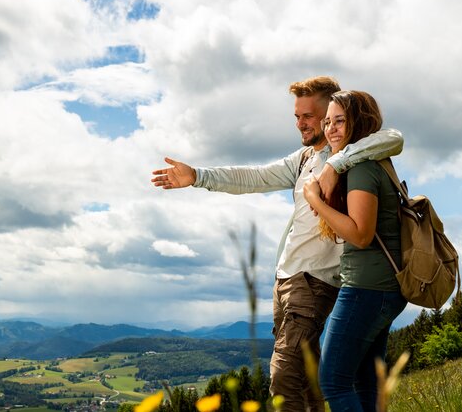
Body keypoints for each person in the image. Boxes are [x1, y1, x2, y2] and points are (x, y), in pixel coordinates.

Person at [151, 77, 403, 412]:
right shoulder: (303, 159)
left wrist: (336, 163)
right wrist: (198, 175)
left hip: (314, 284)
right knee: (306, 381)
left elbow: (392, 138)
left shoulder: (352, 152)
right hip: (286, 281)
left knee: (283, 377)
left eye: (311, 116)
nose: (301, 123)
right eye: (299, 116)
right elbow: (255, 176)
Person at [303, 90, 407, 412]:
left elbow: (361, 235)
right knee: (365, 381)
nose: (331, 128)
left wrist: (316, 201)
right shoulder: (367, 163)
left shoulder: (362, 169)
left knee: (333, 381)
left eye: (340, 121)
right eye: (328, 122)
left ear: (358, 123)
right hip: (382, 289)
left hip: (366, 289)